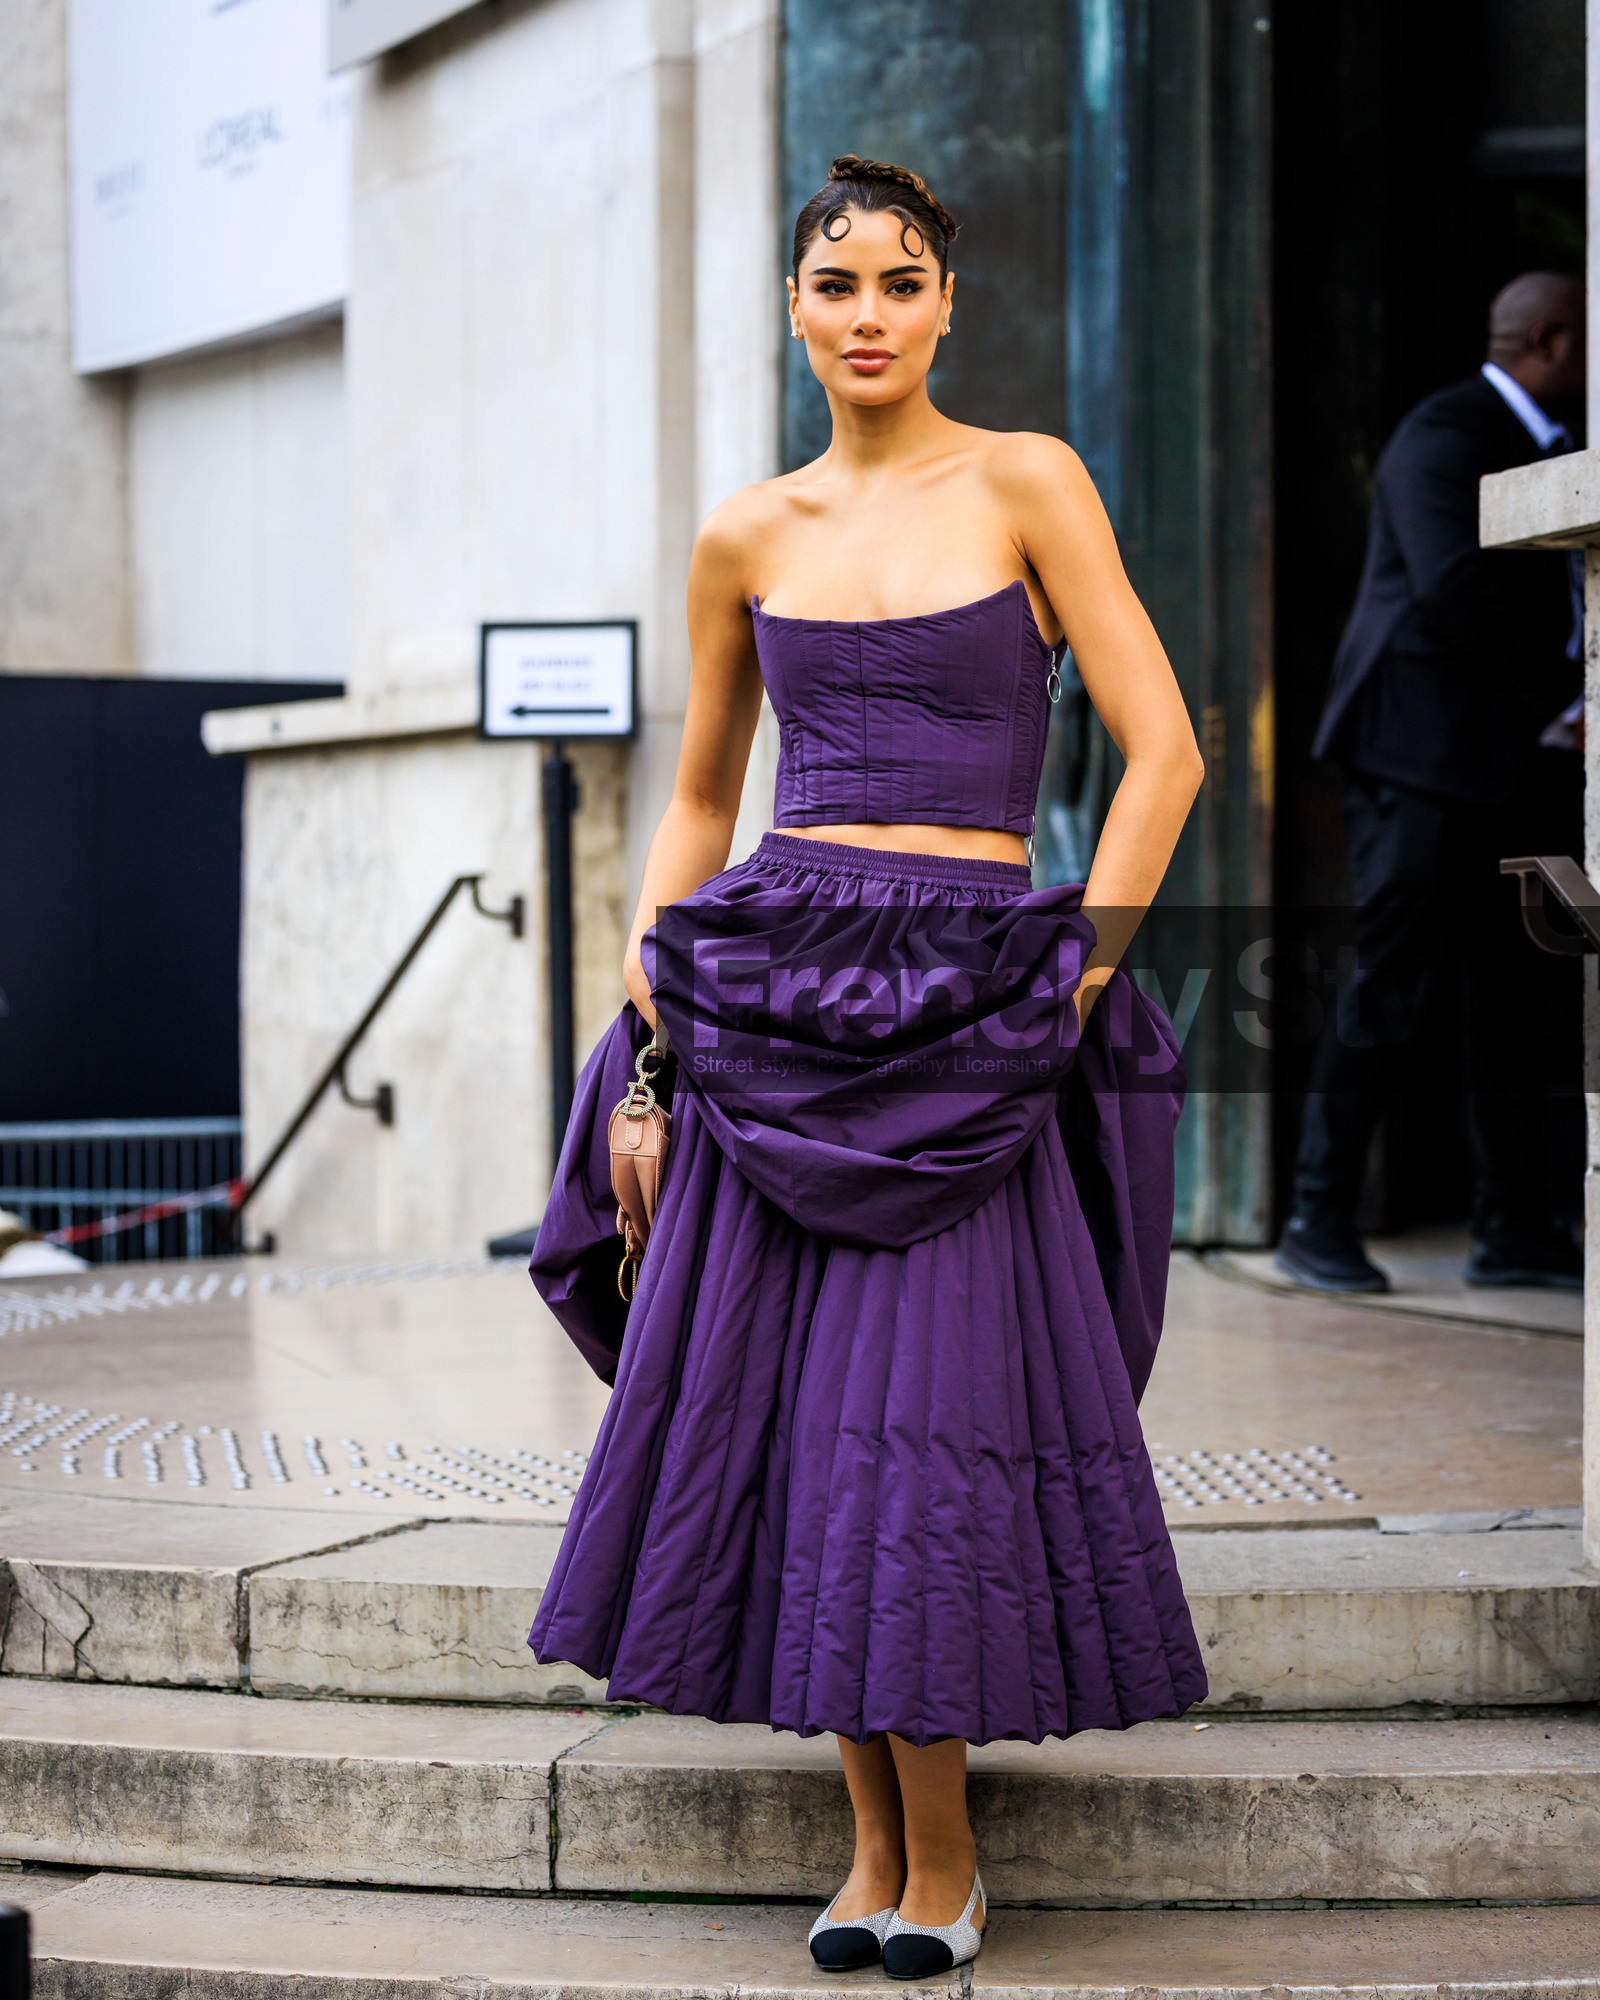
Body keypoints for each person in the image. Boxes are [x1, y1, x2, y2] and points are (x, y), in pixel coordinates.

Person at [526, 156, 1207, 1979]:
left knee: (927, 1435)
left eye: (903, 282)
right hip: (770, 1005)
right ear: (796, 308)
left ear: (948, 304)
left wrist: (1074, 977)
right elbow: (697, 799)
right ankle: (870, 1849)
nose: (870, 314)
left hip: (977, 1006)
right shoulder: (746, 533)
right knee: (803, 1426)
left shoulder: (1031, 478)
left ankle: (950, 1858)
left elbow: (1165, 752)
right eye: (837, 285)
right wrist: (649, 1024)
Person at [1278, 272, 1586, 1295]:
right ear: (1551, 341)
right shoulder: (1445, 433)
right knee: (1391, 982)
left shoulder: (1550, 440)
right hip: (1416, 758)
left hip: (1511, 759)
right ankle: (1317, 1218)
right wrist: (1570, 693)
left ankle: (1513, 1230)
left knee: (1517, 991)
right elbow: (1455, 587)